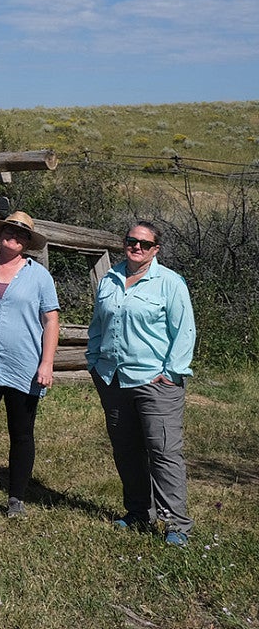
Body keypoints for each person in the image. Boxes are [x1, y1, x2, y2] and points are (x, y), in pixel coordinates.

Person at [87, 221, 196, 546]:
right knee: (126, 450)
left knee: (163, 452)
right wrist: (94, 361)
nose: (136, 247)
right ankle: (138, 512)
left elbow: (185, 331)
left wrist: (172, 372)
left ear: (155, 249)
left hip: (155, 382)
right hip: (113, 378)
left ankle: (176, 524)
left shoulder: (169, 283)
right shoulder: (110, 278)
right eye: (131, 241)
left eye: (144, 244)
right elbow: (97, 324)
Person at [0, 211, 60, 519]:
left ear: (28, 243)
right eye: (9, 231)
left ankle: (15, 498)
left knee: (22, 433)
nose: (14, 237)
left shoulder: (39, 275)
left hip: (25, 365)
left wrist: (47, 363)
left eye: (21, 235)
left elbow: (51, 320)